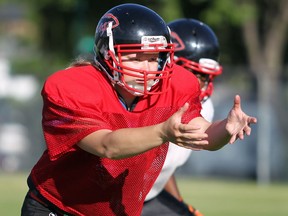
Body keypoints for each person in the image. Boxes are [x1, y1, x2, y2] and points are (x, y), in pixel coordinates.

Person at [21, 3, 257, 216]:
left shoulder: (176, 84)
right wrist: (162, 132)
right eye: (135, 58)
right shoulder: (73, 86)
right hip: (57, 208)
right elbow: (107, 146)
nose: (147, 68)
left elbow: (204, 136)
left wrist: (225, 130)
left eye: (154, 58)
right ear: (107, 54)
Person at [142, 18, 223, 216]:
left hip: (148, 197)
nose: (199, 85)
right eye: (192, 74)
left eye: (204, 77)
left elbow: (163, 167)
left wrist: (179, 205)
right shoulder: (143, 101)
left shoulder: (204, 107)